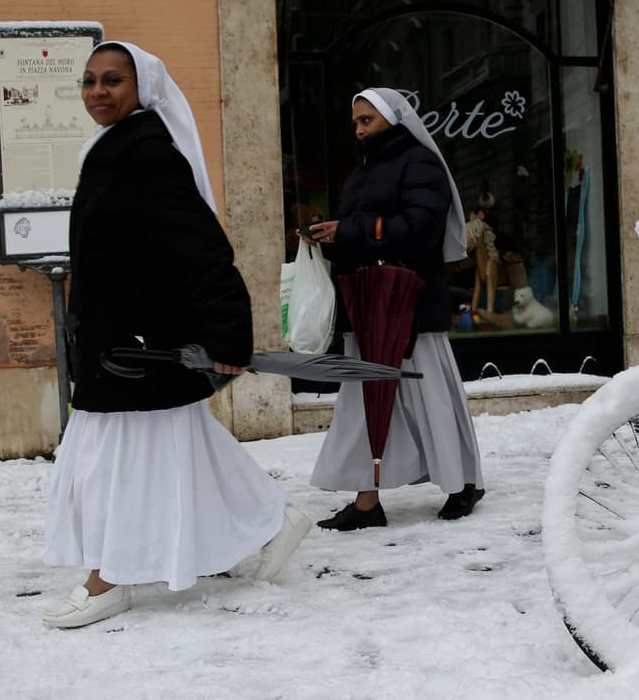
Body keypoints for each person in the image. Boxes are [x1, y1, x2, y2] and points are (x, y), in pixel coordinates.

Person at [41, 41, 310, 628]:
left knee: (114, 462)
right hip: (120, 341)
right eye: (89, 81)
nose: (98, 92)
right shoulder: (112, 149)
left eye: (113, 80)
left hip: (141, 344)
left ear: (142, 88)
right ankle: (271, 519)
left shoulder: (146, 154)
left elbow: (202, 250)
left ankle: (106, 578)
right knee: (180, 446)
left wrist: (228, 337)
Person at [305, 87, 485, 529]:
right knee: (363, 401)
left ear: (392, 118)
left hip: (409, 304)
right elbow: (363, 233)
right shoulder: (361, 173)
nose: (360, 130)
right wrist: (330, 238)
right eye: (355, 123)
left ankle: (462, 482)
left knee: (430, 397)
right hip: (366, 304)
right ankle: (367, 503)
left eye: (367, 120)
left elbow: (421, 228)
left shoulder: (421, 164)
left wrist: (350, 230)